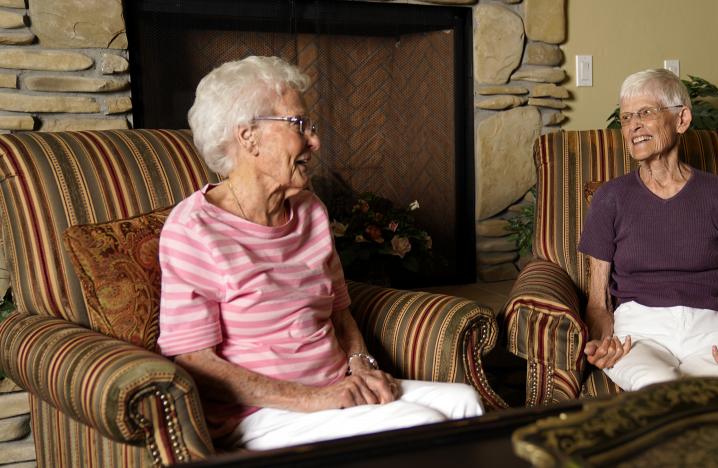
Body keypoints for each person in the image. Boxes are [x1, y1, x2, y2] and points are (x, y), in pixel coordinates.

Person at [156, 56, 483, 451]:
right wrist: (314, 399)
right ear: (248, 137)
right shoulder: (194, 228)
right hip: (262, 414)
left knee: (464, 401)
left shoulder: (310, 210)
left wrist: (362, 366)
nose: (314, 141)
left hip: (336, 388)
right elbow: (194, 361)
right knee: (420, 425)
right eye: (299, 125)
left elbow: (340, 312)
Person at [577, 68, 718, 392]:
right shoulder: (610, 198)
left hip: (712, 331)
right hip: (639, 332)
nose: (633, 125)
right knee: (657, 387)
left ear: (682, 120)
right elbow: (598, 302)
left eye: (645, 113)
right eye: (625, 117)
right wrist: (602, 340)